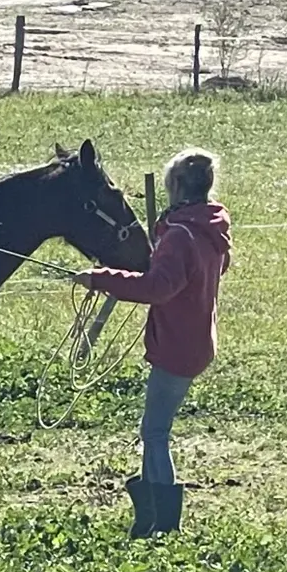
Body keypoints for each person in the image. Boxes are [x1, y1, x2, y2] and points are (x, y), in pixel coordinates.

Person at [75, 148, 231, 537]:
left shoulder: (180, 235)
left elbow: (157, 288)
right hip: (196, 339)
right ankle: (148, 519)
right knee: (153, 430)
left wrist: (100, 278)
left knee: (155, 433)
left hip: (178, 344)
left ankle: (163, 523)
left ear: (175, 184)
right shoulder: (209, 227)